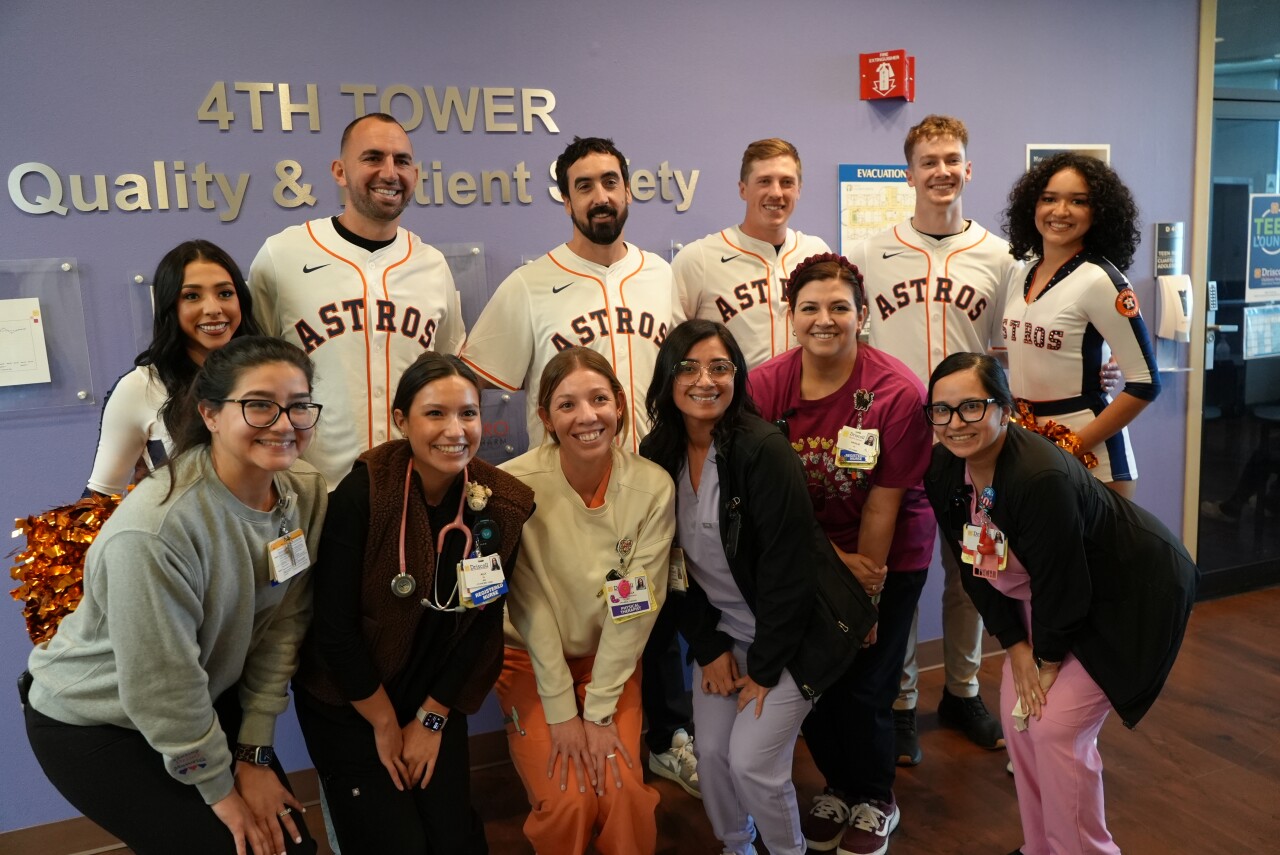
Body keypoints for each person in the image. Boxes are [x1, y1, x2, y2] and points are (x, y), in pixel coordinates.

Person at [25, 336, 327, 855]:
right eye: (258, 405)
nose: (283, 424)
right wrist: (220, 790)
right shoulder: (156, 531)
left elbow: (285, 622)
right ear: (209, 414)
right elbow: (159, 686)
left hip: (198, 697)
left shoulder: (303, 492)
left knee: (291, 847)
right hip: (99, 717)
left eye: (299, 406)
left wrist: (253, 753)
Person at [461, 136, 696, 797]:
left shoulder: (662, 274)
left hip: (656, 479)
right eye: (584, 185)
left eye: (610, 182)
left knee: (662, 613)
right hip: (572, 489)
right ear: (565, 197)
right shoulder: (530, 283)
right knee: (585, 611)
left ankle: (665, 736)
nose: (600, 195)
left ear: (628, 190)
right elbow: (479, 379)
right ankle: (600, 734)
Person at [922, 351, 1197, 855]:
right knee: (1018, 720)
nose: (955, 423)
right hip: (1050, 594)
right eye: (941, 410)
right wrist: (1016, 647)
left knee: (1053, 730)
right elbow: (973, 566)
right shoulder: (944, 468)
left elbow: (1066, 585)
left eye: (971, 408)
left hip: (1129, 593)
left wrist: (1044, 657)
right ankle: (1043, 847)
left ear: (1004, 409)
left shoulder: (1038, 476)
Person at [642, 319, 874, 855]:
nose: (705, 380)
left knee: (752, 762)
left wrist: (765, 669)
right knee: (715, 757)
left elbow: (789, 576)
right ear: (668, 379)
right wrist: (709, 648)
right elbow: (669, 568)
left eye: (720, 367)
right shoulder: (657, 454)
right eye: (689, 367)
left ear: (737, 377)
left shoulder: (762, 449)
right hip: (725, 635)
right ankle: (736, 846)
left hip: (793, 640)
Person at [292, 352, 534, 854]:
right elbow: (334, 632)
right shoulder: (364, 495)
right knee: (394, 842)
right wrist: (383, 723)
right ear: (402, 420)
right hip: (351, 698)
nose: (456, 429)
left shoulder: (499, 504)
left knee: (453, 839)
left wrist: (432, 717)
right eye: (435, 413)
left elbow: (480, 626)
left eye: (468, 413)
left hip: (432, 696)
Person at [749, 254, 934, 855]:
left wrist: (865, 599)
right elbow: (764, 500)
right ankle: (836, 784)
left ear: (862, 315)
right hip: (806, 552)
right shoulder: (764, 386)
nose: (824, 320)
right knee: (815, 676)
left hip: (886, 557)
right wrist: (825, 561)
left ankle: (876, 796)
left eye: (838, 308)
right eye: (810, 308)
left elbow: (884, 502)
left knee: (868, 680)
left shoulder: (896, 391)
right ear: (791, 315)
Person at [846, 115, 1010, 765]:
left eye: (953, 159)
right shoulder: (866, 251)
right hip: (900, 439)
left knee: (973, 569)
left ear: (968, 169)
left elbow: (1012, 345)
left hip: (974, 440)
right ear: (908, 173)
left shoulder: (1000, 256)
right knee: (902, 577)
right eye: (928, 160)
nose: (942, 170)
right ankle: (902, 698)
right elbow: (849, 344)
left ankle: (963, 688)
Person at [495, 347, 676, 855]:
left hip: (609, 663)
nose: (587, 417)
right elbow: (528, 608)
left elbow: (633, 610)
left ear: (620, 404)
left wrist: (597, 714)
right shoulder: (514, 487)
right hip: (528, 661)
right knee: (570, 799)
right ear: (546, 418)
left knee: (621, 793)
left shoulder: (651, 488)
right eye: (567, 404)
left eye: (599, 399)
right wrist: (561, 713)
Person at [249, 112, 465, 489]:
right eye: (372, 158)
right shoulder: (282, 255)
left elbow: (445, 367)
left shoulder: (432, 264)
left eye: (402, 161)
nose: (389, 172)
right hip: (313, 490)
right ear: (339, 171)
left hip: (414, 487)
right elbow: (251, 372)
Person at [1001, 151, 1160, 501]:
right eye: (1049, 199)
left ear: (1098, 212)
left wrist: (1071, 445)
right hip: (1027, 444)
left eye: (1078, 201)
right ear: (1033, 205)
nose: (1060, 211)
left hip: (1092, 456)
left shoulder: (1103, 281)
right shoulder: (1022, 273)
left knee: (1091, 557)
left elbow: (1146, 383)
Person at [86, 239, 262, 495]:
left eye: (225, 293)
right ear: (170, 307)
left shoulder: (271, 376)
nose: (213, 308)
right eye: (192, 296)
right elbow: (98, 497)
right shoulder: (141, 386)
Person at [673, 138, 830, 368]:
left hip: (804, 399)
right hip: (733, 401)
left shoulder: (816, 253)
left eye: (787, 182)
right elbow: (674, 348)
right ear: (743, 189)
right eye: (764, 181)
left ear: (799, 190)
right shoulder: (699, 259)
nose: (776, 192)